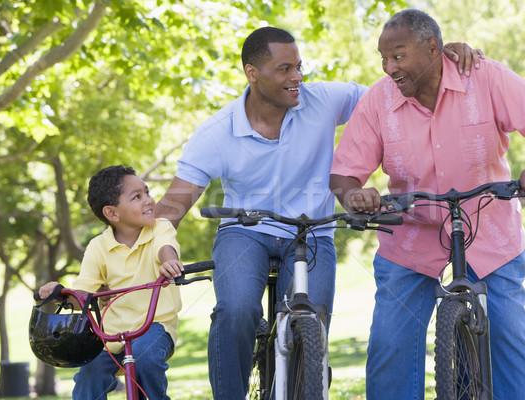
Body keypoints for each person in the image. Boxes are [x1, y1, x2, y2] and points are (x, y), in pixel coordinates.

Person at [154, 26, 481, 398]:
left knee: (315, 318)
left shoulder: (324, 98)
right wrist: (143, 247)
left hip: (312, 231)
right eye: (284, 69)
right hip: (246, 231)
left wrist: (439, 57)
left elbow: (391, 89)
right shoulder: (216, 132)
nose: (297, 78)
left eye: (299, 67)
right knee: (237, 310)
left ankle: (305, 380)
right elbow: (171, 208)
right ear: (252, 73)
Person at [329, 9, 525, 400]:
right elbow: (343, 174)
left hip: (489, 229)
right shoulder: (379, 100)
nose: (388, 67)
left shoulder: (485, 77)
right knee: (389, 347)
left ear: (433, 48)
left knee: (508, 338)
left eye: (397, 55)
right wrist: (354, 195)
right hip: (411, 235)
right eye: (383, 58)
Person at [39, 165, 184, 400]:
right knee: (89, 375)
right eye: (137, 197)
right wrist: (61, 292)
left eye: (147, 192)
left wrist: (169, 263)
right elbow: (83, 295)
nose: (149, 200)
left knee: (144, 359)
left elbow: (165, 248)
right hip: (111, 335)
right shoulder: (98, 247)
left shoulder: (160, 227)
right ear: (113, 214)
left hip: (155, 326)